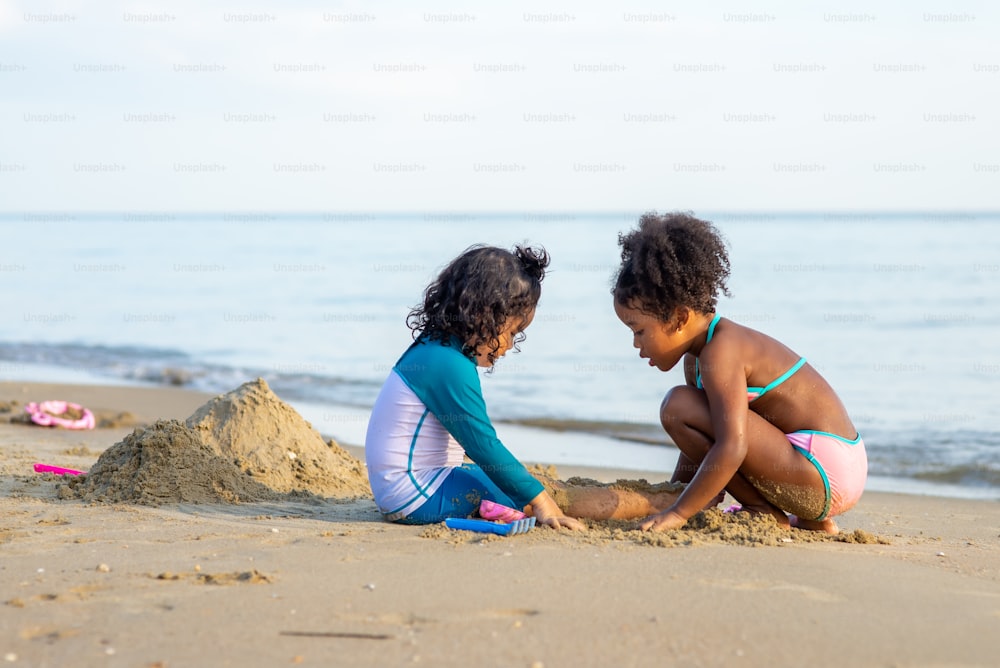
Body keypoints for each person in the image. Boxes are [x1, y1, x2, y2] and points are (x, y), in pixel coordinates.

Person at [365, 244, 683, 529]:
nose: (509, 346)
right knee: (551, 493)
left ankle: (667, 497)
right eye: (513, 332)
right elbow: (484, 446)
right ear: (483, 314)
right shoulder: (449, 365)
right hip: (418, 496)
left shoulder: (433, 349)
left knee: (527, 483)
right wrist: (542, 501)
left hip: (404, 489)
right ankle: (666, 503)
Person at [612, 212, 867, 534]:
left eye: (639, 331)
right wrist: (676, 491)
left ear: (678, 319)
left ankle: (762, 509)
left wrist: (679, 513)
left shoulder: (723, 351)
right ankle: (812, 522)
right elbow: (701, 437)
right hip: (832, 468)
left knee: (677, 406)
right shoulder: (701, 355)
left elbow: (731, 445)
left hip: (823, 473)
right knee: (691, 409)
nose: (636, 344)